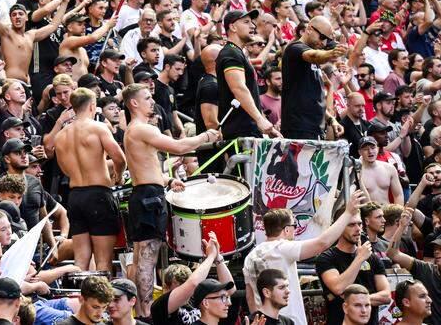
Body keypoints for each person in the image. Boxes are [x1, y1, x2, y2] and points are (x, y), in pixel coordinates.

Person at [122, 82, 219, 317]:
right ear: (134, 103)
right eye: (147, 97)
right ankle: (146, 313)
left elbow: (145, 167)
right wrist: (205, 136)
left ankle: (141, 311)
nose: (152, 101)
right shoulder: (141, 129)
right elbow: (179, 146)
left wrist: (167, 180)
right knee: (147, 258)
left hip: (145, 193)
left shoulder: (135, 130)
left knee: (141, 257)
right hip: (148, 197)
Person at [242, 193, 367, 325]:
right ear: (286, 230)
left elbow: (250, 297)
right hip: (286, 320)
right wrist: (347, 213)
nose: (295, 230)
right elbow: (322, 243)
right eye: (294, 226)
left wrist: (257, 320)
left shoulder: (250, 256)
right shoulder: (282, 247)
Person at [54, 87, 125, 271]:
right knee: (103, 260)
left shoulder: (60, 136)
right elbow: (120, 159)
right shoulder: (98, 128)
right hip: (98, 195)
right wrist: (118, 176)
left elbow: (65, 170)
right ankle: (101, 291)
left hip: (75, 196)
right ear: (92, 106)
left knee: (80, 261)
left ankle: (80, 291)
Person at [315, 208, 391, 325]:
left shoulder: (372, 258)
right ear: (339, 227)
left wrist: (356, 301)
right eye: (351, 225)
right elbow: (338, 287)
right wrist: (359, 259)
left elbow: (386, 296)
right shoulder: (327, 258)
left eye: (359, 224)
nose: (358, 229)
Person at [280, 15, 349, 140]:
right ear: (309, 29)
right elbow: (314, 55)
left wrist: (331, 119)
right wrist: (332, 52)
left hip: (315, 128)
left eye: (327, 40)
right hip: (298, 127)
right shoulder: (295, 48)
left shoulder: (314, 62)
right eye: (322, 37)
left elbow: (313, 100)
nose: (324, 43)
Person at [218, 10, 280, 139]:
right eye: (246, 22)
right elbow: (239, 88)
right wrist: (260, 120)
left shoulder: (237, 53)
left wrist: (265, 123)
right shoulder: (231, 53)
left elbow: (250, 93)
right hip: (240, 132)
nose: (253, 26)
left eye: (252, 22)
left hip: (248, 129)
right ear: (233, 27)